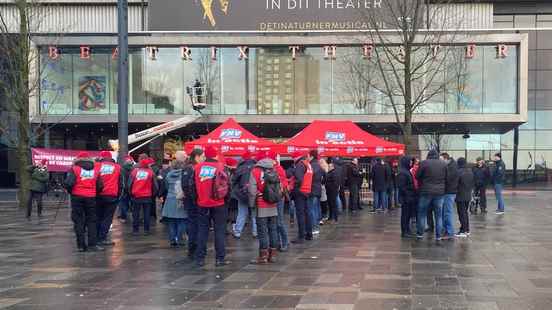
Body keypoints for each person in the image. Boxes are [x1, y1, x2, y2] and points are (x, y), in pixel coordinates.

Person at [193, 146, 231, 268]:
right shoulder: (221, 167)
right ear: (215, 155)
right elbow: (228, 185)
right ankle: (220, 258)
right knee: (219, 231)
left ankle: (200, 258)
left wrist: (197, 199)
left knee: (202, 231)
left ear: (206, 155)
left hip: (202, 203)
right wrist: (226, 201)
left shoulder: (197, 167)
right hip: (219, 203)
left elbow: (191, 185)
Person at [63, 152, 104, 252]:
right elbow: (100, 185)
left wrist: (70, 191)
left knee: (78, 220)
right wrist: (94, 192)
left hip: (77, 197)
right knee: (92, 220)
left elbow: (69, 183)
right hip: (91, 197)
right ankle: (92, 244)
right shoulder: (95, 169)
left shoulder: (75, 168)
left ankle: (81, 245)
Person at [249, 152, 281, 264]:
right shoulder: (274, 170)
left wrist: (251, 204)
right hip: (273, 205)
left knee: (262, 232)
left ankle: (263, 256)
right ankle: (273, 255)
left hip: (261, 204)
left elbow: (252, 191)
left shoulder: (255, 171)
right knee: (273, 230)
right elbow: (279, 187)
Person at [416, 150, 447, 241]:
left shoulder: (424, 163)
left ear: (428, 155)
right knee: (439, 215)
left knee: (422, 213)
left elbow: (417, 176)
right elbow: (447, 177)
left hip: (425, 192)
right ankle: (438, 236)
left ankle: (420, 234)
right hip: (440, 193)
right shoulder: (443, 164)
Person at [96, 151, 123, 246]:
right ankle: (102, 238)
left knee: (98, 216)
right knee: (107, 218)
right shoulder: (118, 167)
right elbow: (121, 184)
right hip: (112, 195)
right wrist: (118, 196)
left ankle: (96, 237)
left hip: (98, 195)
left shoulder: (96, 166)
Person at [161, 152, 188, 247]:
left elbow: (166, 187)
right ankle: (180, 240)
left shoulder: (168, 175)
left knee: (171, 221)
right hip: (180, 199)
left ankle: (172, 240)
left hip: (170, 199)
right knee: (182, 220)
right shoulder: (184, 175)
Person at [182, 148, 204, 262]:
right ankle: (193, 249)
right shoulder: (191, 168)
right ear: (196, 157)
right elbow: (186, 186)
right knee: (194, 225)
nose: (204, 158)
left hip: (194, 201)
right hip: (194, 202)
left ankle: (194, 249)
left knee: (195, 225)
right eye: (202, 156)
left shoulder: (190, 168)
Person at [231, 151, 257, 239]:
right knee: (254, 213)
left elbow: (233, 181)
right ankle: (255, 232)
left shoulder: (240, 167)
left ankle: (238, 232)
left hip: (242, 194)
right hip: (254, 193)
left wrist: (236, 191)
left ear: (243, 158)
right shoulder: (256, 167)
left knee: (242, 213)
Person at [128, 158, 158, 235]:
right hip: (147, 196)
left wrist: (130, 193)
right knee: (146, 214)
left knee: (136, 213)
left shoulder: (135, 171)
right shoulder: (151, 172)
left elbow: (129, 184)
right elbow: (155, 185)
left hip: (136, 195)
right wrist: (153, 194)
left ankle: (135, 230)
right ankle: (146, 230)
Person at [290, 151, 314, 244]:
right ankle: (309, 234)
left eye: (293, 158)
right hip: (307, 191)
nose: (293, 160)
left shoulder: (300, 165)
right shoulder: (308, 164)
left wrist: (293, 187)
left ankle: (301, 236)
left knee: (300, 214)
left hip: (300, 192)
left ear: (296, 157)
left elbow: (299, 179)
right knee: (307, 213)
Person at [269, 151, 289, 252]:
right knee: (275, 222)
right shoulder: (273, 168)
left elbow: (284, 183)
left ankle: (285, 242)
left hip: (278, 197)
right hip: (274, 197)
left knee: (279, 222)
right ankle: (277, 243)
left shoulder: (278, 169)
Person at [440, 153, 459, 240]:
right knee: (445, 212)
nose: (440, 162)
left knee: (447, 212)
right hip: (448, 191)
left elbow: (447, 179)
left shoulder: (452, 167)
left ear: (446, 159)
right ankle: (446, 230)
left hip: (449, 192)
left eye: (441, 160)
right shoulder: (451, 166)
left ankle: (450, 232)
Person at [397, 156, 416, 238]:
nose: (411, 163)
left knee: (408, 215)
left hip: (409, 197)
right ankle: (404, 231)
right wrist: (408, 193)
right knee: (405, 215)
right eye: (410, 161)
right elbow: (401, 187)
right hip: (406, 198)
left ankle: (407, 230)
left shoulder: (406, 171)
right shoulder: (403, 172)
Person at [456, 157, 474, 237]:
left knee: (461, 213)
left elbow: (456, 183)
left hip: (460, 195)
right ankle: (467, 229)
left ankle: (463, 230)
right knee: (465, 213)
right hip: (468, 194)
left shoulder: (459, 172)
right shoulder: (470, 171)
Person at [309, 150, 325, 234]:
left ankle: (314, 228)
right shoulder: (319, 165)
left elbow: (310, 177)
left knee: (312, 209)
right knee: (316, 208)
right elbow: (324, 176)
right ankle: (318, 223)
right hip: (318, 189)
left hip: (312, 189)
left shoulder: (311, 166)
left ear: (311, 156)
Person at [118, 155, 134, 223]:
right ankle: (135, 216)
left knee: (123, 203)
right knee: (132, 203)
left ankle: (123, 217)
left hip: (124, 189)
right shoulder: (134, 169)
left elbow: (122, 179)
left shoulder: (122, 169)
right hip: (132, 188)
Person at [319, 158, 329, 223]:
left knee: (322, 202)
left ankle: (323, 216)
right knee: (324, 201)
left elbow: (324, 179)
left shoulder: (322, 170)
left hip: (322, 187)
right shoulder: (326, 169)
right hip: (324, 187)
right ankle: (324, 215)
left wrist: (322, 184)